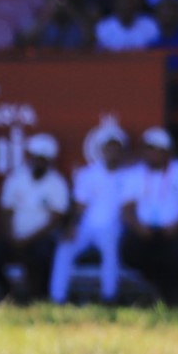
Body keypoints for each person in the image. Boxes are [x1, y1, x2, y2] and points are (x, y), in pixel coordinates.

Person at [119, 127, 178, 305]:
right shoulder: (134, 174)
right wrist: (139, 228)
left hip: (174, 231)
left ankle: (172, 299)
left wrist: (176, 227)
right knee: (132, 252)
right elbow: (127, 208)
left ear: (167, 151)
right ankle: (156, 295)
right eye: (148, 149)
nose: (152, 153)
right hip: (143, 232)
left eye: (157, 149)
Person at [52, 120, 130, 305]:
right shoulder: (88, 174)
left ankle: (109, 297)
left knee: (111, 249)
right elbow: (80, 205)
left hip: (114, 228)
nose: (112, 152)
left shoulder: (130, 176)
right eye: (108, 148)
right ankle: (57, 297)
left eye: (116, 148)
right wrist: (71, 227)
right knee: (64, 248)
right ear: (101, 150)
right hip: (86, 227)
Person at [0, 134, 69, 304]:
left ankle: (39, 298)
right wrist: (11, 236)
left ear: (50, 160)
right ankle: (9, 294)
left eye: (43, 159)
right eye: (36, 158)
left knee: (42, 254)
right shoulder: (16, 178)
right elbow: (6, 210)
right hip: (15, 236)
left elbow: (56, 219)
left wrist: (27, 239)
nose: (38, 162)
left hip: (40, 237)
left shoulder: (57, 183)